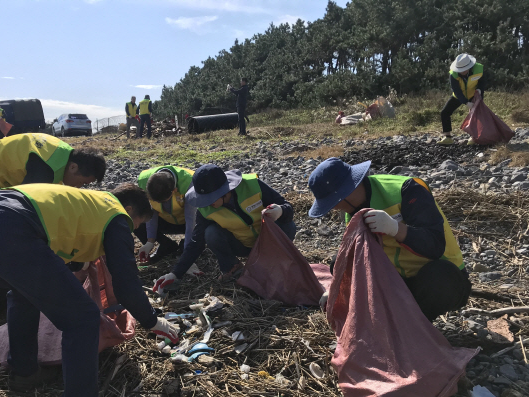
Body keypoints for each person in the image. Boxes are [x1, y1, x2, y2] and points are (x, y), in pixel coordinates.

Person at [0, 183, 178, 397]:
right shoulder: (117, 216)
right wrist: (152, 320)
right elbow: (125, 283)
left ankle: (24, 372)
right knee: (83, 319)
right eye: (137, 224)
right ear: (129, 210)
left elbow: (57, 240)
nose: (133, 230)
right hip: (6, 227)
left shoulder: (88, 203)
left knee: (24, 293)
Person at [0, 133, 107, 326]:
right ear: (73, 167)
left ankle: (23, 297)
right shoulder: (44, 170)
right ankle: (3, 310)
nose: (79, 188)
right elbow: (27, 215)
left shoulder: (63, 160)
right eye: (82, 182)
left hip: (6, 179)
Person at [307, 157, 471, 321]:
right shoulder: (351, 212)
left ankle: (415, 329)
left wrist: (395, 228)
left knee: (439, 277)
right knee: (338, 264)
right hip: (398, 282)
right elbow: (354, 256)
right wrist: (338, 288)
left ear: (347, 191)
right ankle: (399, 322)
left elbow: (434, 245)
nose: (334, 208)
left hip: (442, 278)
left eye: (333, 203)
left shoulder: (407, 190)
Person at [153, 164, 296, 292]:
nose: (207, 204)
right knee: (211, 233)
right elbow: (196, 243)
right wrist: (176, 273)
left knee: (288, 225)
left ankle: (273, 262)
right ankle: (232, 268)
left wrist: (280, 211)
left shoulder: (252, 185)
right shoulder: (205, 210)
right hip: (243, 245)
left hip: (268, 243)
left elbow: (287, 207)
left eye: (210, 199)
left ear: (224, 191)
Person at [136, 165, 196, 264]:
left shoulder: (189, 182)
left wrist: (188, 255)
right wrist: (150, 242)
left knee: (204, 226)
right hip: (166, 221)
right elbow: (151, 212)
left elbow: (191, 220)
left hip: (186, 223)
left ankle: (186, 246)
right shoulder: (143, 181)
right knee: (137, 219)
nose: (159, 205)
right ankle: (166, 246)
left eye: (163, 201)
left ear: (174, 190)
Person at [438, 54, 487, 146]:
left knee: (477, 115)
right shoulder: (453, 74)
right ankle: (447, 137)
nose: (462, 72)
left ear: (469, 67)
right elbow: (457, 91)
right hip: (459, 96)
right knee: (444, 112)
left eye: (464, 70)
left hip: (474, 94)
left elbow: (482, 82)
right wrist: (466, 102)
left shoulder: (479, 69)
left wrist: (480, 90)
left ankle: (474, 137)